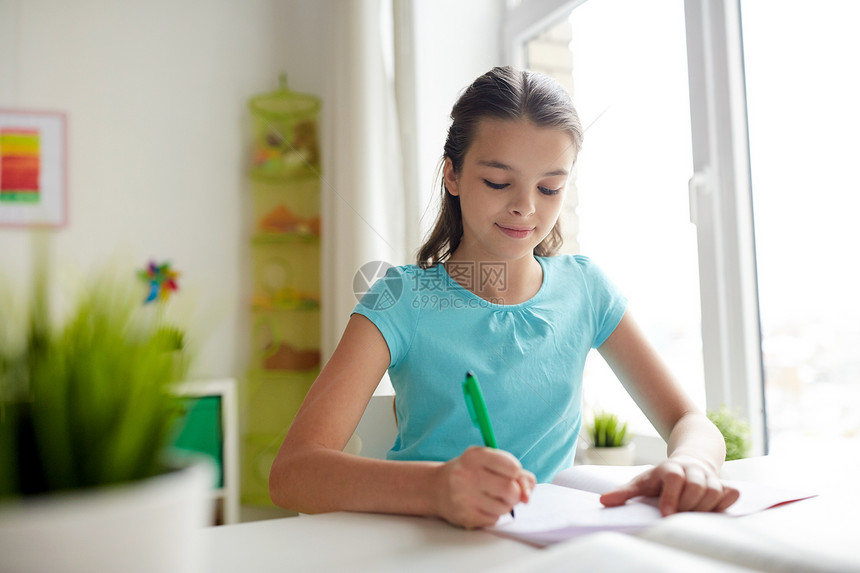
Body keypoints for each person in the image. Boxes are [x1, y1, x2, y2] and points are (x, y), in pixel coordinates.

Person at [269, 66, 739, 529]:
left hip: (548, 549)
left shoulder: (586, 289)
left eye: (550, 187)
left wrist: (692, 463)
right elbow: (293, 473)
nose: (526, 207)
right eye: (498, 182)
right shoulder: (402, 298)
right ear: (452, 175)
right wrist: (436, 489)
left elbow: (691, 423)